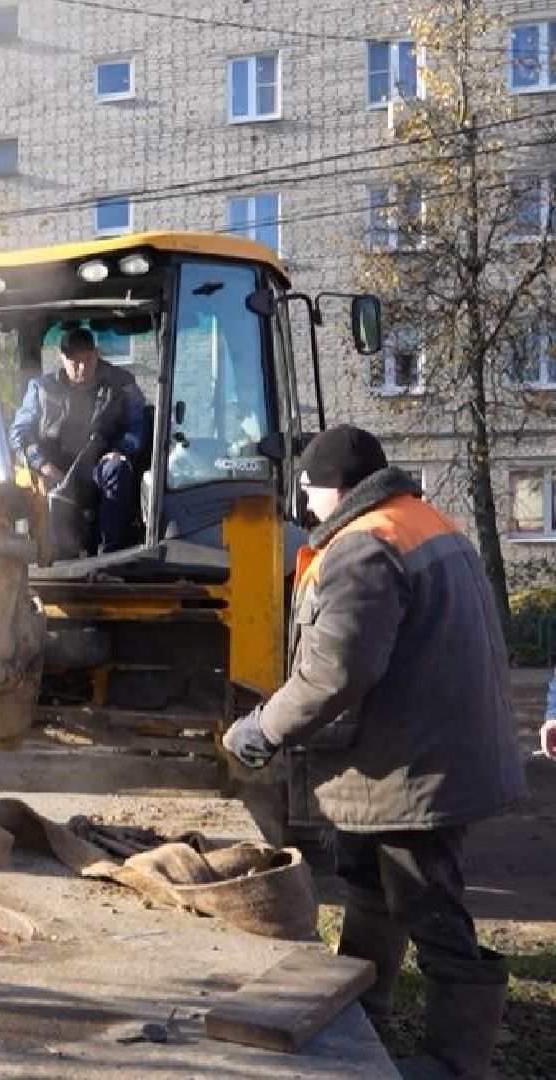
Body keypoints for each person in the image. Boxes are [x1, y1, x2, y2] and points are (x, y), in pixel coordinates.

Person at [223, 425, 525, 1079]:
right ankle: (363, 1014)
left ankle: (454, 1061)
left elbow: (333, 673)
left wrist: (258, 731)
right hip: (426, 749)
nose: (304, 508)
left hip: (414, 769)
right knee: (372, 888)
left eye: (306, 492)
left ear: (333, 488)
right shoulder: (423, 522)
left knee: (429, 906)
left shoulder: (362, 547)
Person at [8, 326, 147, 555]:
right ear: (62, 359)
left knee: (117, 470)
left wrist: (122, 450)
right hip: (56, 468)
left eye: (88, 360)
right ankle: (50, 554)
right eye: (75, 362)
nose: (82, 368)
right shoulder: (41, 389)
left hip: (101, 461)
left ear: (96, 354)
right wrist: (42, 464)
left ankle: (112, 554)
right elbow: (19, 434)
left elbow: (138, 423)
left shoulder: (121, 384)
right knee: (37, 488)